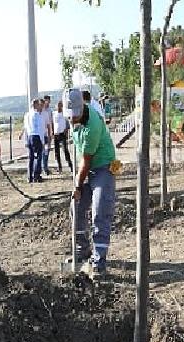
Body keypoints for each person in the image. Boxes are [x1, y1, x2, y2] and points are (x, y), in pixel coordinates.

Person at [64, 88, 116, 278]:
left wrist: (78, 185)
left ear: (82, 107)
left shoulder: (93, 123)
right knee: (76, 205)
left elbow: (87, 160)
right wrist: (77, 182)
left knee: (99, 210)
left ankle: (99, 260)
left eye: (75, 116)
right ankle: (82, 249)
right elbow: (80, 155)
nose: (72, 120)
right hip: (86, 165)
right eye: (70, 116)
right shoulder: (73, 120)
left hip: (103, 167)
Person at [20, 99, 45, 183]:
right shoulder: (37, 114)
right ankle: (36, 175)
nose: (40, 106)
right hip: (36, 136)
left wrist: (26, 140)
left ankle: (29, 176)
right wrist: (42, 140)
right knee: (38, 156)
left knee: (31, 158)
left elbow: (26, 128)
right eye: (39, 105)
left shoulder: (27, 115)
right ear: (35, 105)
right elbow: (40, 128)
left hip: (30, 136)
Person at [52, 100, 73, 173]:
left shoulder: (64, 114)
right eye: (58, 105)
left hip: (62, 134)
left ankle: (70, 166)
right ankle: (59, 167)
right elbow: (52, 123)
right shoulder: (54, 114)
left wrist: (66, 130)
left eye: (60, 105)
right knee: (56, 152)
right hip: (56, 134)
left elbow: (68, 124)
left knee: (65, 150)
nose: (59, 107)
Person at [41, 95, 54, 175]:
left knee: (47, 150)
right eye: (46, 100)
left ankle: (45, 167)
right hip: (42, 133)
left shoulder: (50, 110)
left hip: (48, 133)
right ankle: (44, 167)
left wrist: (51, 132)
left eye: (48, 100)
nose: (47, 102)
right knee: (42, 150)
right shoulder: (41, 110)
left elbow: (51, 122)